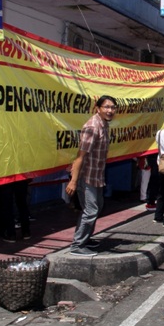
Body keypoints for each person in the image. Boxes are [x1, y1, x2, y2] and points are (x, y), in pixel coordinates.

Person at [66, 95, 116, 257]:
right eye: (106, 107)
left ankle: (85, 239)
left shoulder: (104, 125)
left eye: (113, 107)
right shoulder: (93, 127)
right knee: (91, 209)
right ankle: (77, 244)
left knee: (97, 207)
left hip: (96, 176)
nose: (110, 110)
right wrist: (73, 181)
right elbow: (81, 156)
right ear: (98, 108)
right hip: (86, 177)